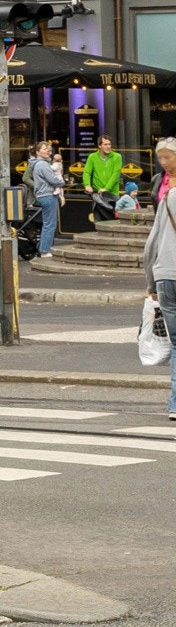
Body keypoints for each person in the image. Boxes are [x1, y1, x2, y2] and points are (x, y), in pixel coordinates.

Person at [143, 137, 176, 420]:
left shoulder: (168, 198)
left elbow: (149, 246)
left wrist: (151, 284)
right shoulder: (162, 186)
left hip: (165, 275)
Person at [32, 138, 66, 256]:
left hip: (43, 195)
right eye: (45, 149)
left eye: (49, 150)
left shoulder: (38, 164)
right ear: (37, 152)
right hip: (48, 195)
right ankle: (45, 250)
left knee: (47, 224)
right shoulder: (43, 165)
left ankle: (45, 248)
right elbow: (53, 180)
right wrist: (62, 182)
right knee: (50, 224)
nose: (48, 152)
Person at [82, 134, 124, 222]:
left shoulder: (117, 157)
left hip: (112, 195)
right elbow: (87, 172)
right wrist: (87, 185)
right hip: (98, 195)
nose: (108, 146)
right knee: (99, 222)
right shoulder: (92, 157)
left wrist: (106, 188)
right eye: (105, 144)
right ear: (99, 146)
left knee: (113, 222)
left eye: (109, 144)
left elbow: (115, 175)